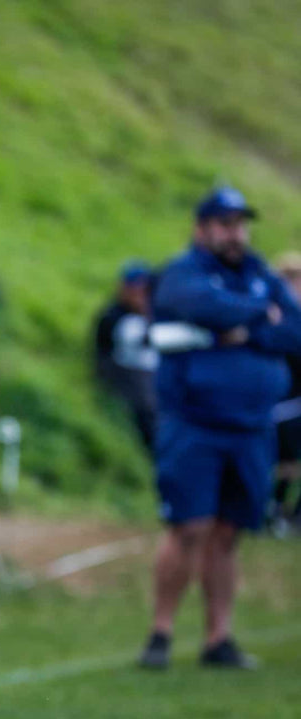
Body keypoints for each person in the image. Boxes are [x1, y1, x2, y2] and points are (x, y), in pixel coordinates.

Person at [138, 186, 301, 670]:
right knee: (188, 527)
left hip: (252, 429)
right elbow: (197, 304)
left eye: (240, 224)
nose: (236, 233)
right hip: (195, 425)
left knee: (230, 533)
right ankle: (160, 633)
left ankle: (218, 639)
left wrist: (239, 328)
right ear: (202, 228)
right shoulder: (183, 272)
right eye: (225, 224)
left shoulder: (259, 274)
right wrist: (254, 316)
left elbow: (293, 330)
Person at [93, 261, 159, 449]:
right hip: (124, 380)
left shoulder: (148, 316)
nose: (142, 297)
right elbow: (140, 340)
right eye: (137, 291)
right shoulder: (114, 317)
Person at [270, 252, 301, 534]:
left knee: (290, 459)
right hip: (282, 398)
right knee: (284, 459)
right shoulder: (276, 312)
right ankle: (275, 509)